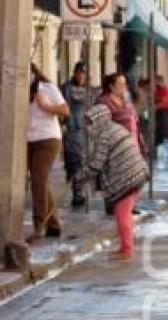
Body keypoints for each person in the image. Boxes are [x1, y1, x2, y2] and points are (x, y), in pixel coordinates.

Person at [75, 104, 150, 260]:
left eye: (90, 122)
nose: (89, 127)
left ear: (99, 120)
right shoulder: (115, 128)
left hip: (127, 178)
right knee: (125, 214)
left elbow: (97, 164)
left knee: (122, 214)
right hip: (137, 174)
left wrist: (79, 176)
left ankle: (126, 251)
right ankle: (125, 247)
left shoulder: (104, 135)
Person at [27, 63, 69, 240]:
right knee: (41, 181)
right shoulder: (15, 88)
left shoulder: (47, 87)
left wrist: (45, 106)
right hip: (28, 141)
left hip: (48, 139)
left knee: (38, 180)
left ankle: (39, 224)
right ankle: (53, 223)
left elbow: (65, 111)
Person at [61, 62, 91, 208]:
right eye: (79, 73)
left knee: (82, 162)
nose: (81, 76)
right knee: (74, 161)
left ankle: (78, 192)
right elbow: (65, 107)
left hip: (84, 131)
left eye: (84, 73)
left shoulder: (88, 89)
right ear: (75, 73)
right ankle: (77, 193)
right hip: (71, 131)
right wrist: (67, 124)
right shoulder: (67, 87)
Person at [100, 73, 145, 152]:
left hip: (132, 148)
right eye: (121, 84)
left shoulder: (126, 102)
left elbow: (136, 124)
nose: (125, 87)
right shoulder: (104, 101)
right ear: (112, 86)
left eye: (125, 84)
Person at [154, 75, 168, 145]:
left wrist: (155, 106)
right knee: (159, 131)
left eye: (156, 81)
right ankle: (159, 147)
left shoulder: (166, 90)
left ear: (160, 81)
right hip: (159, 112)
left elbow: (164, 101)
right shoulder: (157, 90)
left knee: (164, 130)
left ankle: (165, 148)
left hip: (165, 111)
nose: (155, 83)